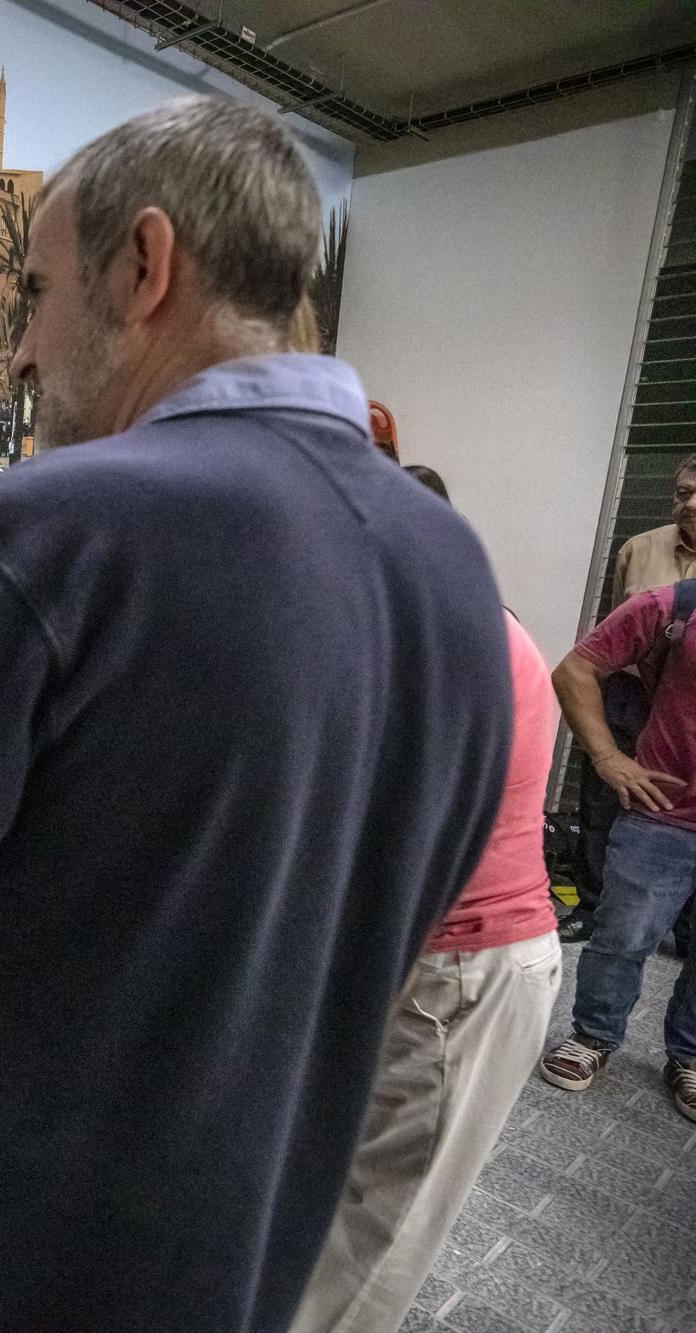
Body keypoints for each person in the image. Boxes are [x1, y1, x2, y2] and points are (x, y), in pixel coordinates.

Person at [0, 98, 512, 1333]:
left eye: (33, 292)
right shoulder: (457, 575)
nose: (17, 351)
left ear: (143, 264)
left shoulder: (36, 531)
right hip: (229, 1276)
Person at [291, 466, 562, 1331]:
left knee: (370, 1249)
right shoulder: (468, 625)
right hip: (431, 960)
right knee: (329, 1199)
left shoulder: (448, 646)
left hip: (464, 974)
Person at [539, 574, 696, 1123]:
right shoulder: (675, 606)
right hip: (665, 812)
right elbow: (576, 669)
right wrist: (608, 758)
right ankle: (594, 1035)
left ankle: (691, 1056)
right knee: (624, 935)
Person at [565, 453, 696, 944]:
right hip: (630, 692)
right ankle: (595, 907)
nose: (691, 503)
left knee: (672, 807)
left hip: (685, 702)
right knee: (604, 800)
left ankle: (678, 926)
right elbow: (608, 635)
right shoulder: (639, 548)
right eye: (683, 492)